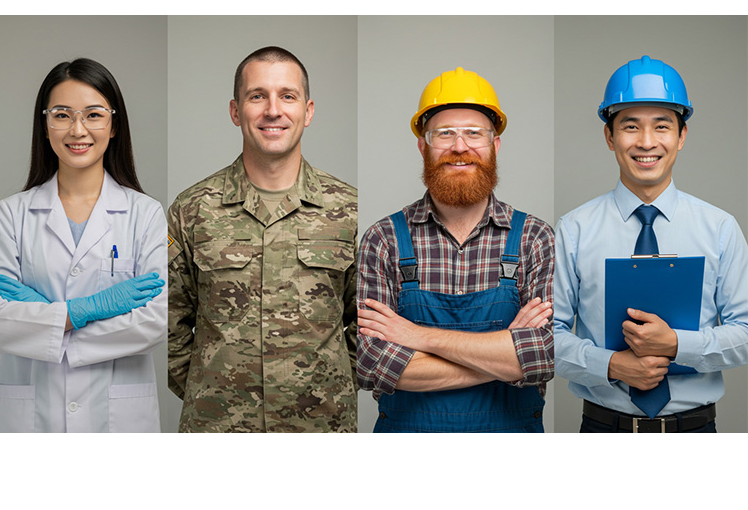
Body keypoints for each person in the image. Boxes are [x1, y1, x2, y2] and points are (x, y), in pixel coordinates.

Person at [167, 46, 357, 432]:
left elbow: (366, 325)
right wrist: (214, 391)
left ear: (309, 110)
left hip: (321, 427)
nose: (274, 110)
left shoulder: (349, 210)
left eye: (288, 96)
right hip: (218, 426)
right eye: (258, 96)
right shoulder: (192, 209)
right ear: (236, 111)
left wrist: (329, 387)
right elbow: (167, 325)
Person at [554, 55, 748, 432]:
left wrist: (675, 344)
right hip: (602, 430)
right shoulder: (574, 229)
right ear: (610, 136)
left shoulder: (720, 228)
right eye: (630, 126)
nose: (646, 142)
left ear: (682, 136)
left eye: (662, 126)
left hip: (694, 433)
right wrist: (611, 365)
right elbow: (546, 337)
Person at [357, 67, 554, 432]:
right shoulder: (382, 238)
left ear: (495, 145)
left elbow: (542, 356)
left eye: (474, 134)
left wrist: (418, 337)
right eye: (444, 134)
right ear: (423, 145)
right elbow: (373, 363)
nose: (459, 147)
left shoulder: (534, 238)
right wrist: (505, 354)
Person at [0, 58, 167, 433]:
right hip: (30, 418)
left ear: (114, 125)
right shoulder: (13, 213)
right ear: (45, 125)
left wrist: (50, 319)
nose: (78, 130)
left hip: (117, 418)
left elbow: (156, 321)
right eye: (62, 115)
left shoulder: (145, 214)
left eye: (93, 115)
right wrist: (84, 310)